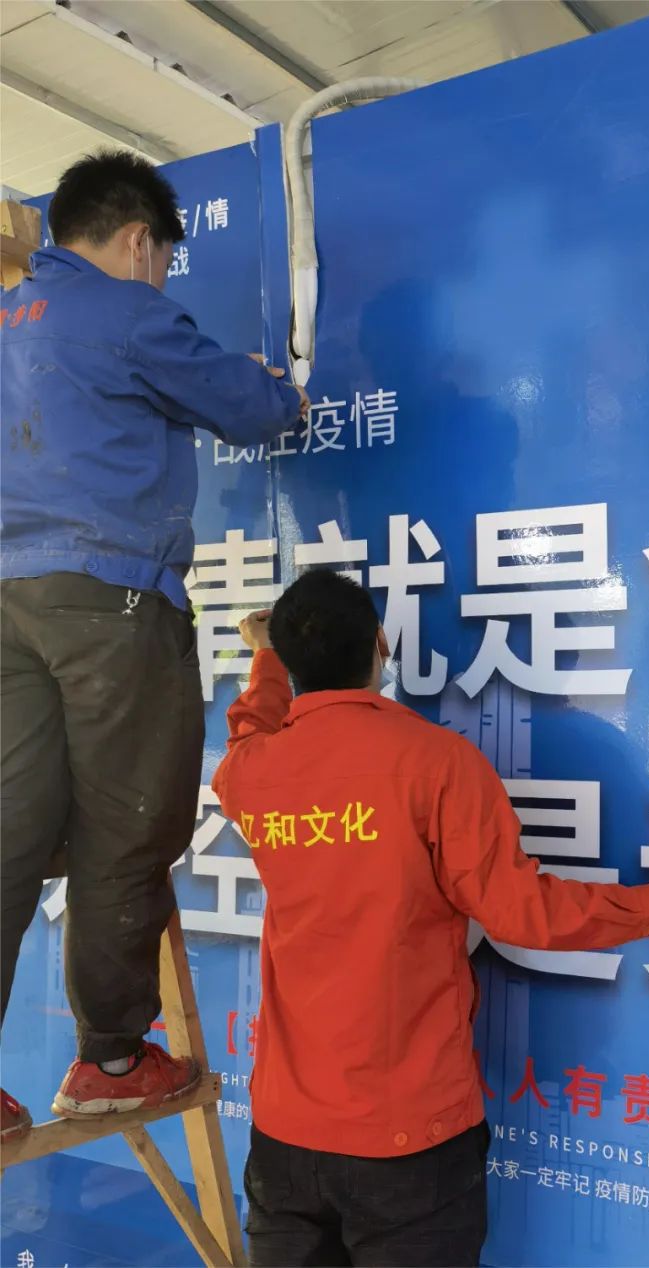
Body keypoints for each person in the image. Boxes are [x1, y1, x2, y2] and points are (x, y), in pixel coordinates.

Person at [212, 569, 649, 1267]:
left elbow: (249, 727)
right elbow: (519, 911)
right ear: (381, 643)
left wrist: (266, 659)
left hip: (283, 1137)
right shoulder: (436, 764)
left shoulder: (251, 774)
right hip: (408, 1141)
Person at [0, 149, 309, 1142]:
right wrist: (279, 389)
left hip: (6, 605)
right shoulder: (124, 312)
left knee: (9, 834)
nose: (163, 278)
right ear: (140, 240)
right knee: (127, 824)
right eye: (166, 261)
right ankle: (113, 1060)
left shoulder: (8, 319)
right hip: (108, 601)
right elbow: (255, 410)